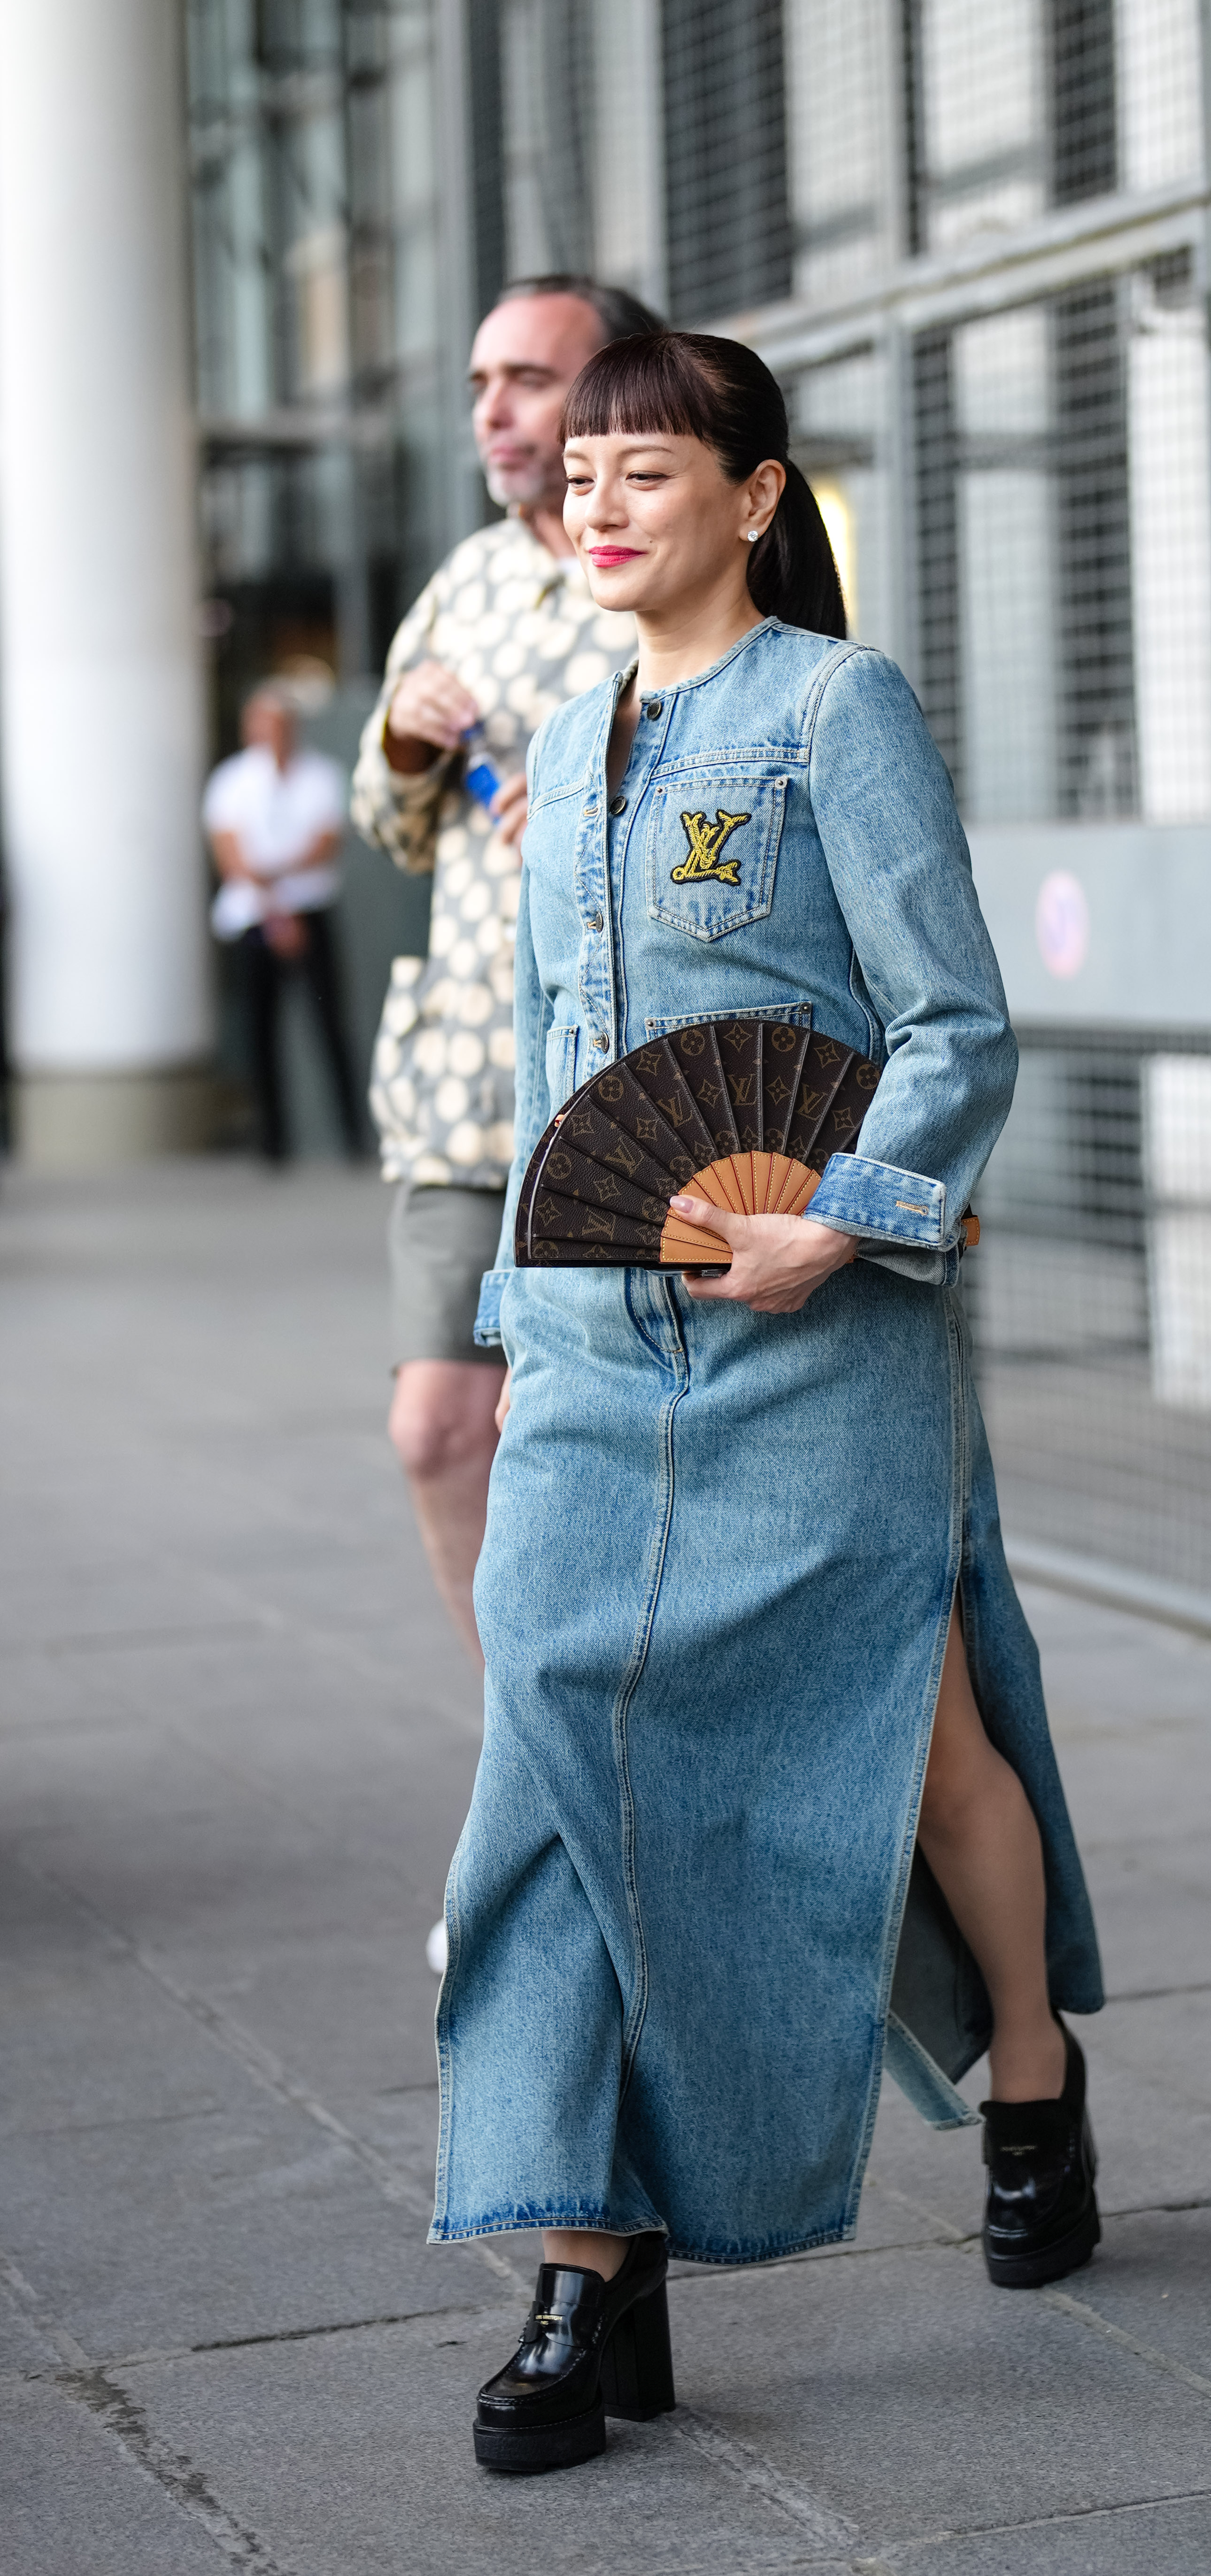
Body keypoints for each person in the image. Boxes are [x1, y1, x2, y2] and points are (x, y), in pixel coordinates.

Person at [441, 332, 1105, 2476]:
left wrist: (854, 1210)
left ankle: (1026, 2070)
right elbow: (564, 1074)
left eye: (650, 466)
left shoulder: (839, 706)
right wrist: (519, 1302)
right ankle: (583, 2261)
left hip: (820, 1324)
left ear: (752, 492)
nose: (601, 500)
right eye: (582, 475)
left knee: (913, 1744)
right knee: (549, 1770)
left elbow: (953, 1018)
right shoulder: (563, 740)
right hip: (592, 1343)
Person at [351, 276, 663, 1731]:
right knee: (434, 1432)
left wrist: (616, 808)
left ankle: (627, 1778)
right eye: (482, 379)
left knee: (603, 1455)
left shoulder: (671, 564)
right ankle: (530, 1759)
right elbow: (389, 819)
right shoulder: (465, 575)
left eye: (529, 378)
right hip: (463, 1082)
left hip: (624, 1089)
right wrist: (404, 744)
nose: (492, 409)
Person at [205, 681, 366, 1162]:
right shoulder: (231, 782)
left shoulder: (321, 776)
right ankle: (272, 1144)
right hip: (255, 916)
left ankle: (351, 1138)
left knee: (329, 1024)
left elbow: (325, 842)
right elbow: (231, 856)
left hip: (310, 912)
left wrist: (275, 880)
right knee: (262, 1031)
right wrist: (276, 904)